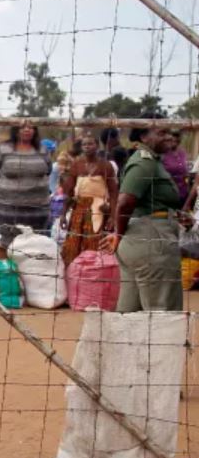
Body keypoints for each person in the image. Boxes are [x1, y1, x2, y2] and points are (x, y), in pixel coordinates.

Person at [102, 118, 186, 313]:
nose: (168, 138)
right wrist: (118, 234)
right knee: (162, 311)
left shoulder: (152, 161)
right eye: (162, 133)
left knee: (130, 313)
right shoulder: (144, 162)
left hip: (143, 240)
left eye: (168, 133)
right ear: (143, 136)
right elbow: (125, 202)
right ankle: (162, 344)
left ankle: (123, 344)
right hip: (151, 241)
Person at [0, 123, 51, 241]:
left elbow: (48, 170)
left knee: (37, 243)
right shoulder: (3, 149)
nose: (27, 130)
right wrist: (6, 185)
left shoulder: (42, 150)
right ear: (15, 130)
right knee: (9, 242)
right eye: (22, 127)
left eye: (31, 127)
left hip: (38, 209)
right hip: (8, 208)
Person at [60, 132, 117, 266]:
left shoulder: (105, 166)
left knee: (95, 245)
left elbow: (114, 192)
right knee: (73, 246)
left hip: (99, 210)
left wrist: (113, 216)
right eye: (84, 144)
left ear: (97, 146)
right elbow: (69, 192)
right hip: (78, 211)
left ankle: (94, 276)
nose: (87, 147)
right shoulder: (76, 165)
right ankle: (73, 275)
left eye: (90, 144)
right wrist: (63, 214)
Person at [160, 130, 190, 202]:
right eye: (172, 137)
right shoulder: (162, 153)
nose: (174, 140)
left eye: (177, 137)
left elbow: (186, 172)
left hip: (183, 193)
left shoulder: (183, 153)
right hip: (167, 194)